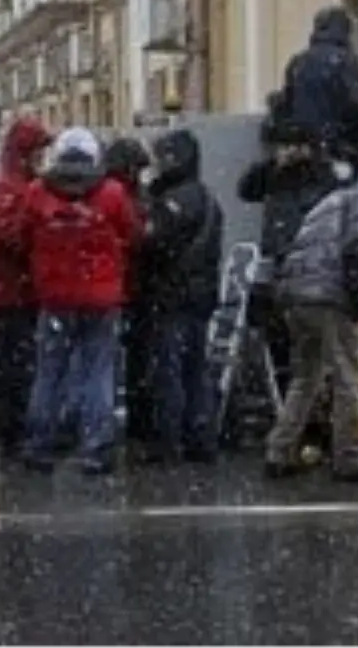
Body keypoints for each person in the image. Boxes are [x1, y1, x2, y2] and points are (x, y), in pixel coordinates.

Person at [264, 169, 358, 483]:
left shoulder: (330, 202)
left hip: (295, 296)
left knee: (306, 377)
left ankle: (280, 449)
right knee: (350, 376)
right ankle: (350, 455)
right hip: (329, 299)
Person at [20, 128, 138, 475]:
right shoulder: (112, 193)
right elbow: (131, 234)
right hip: (101, 297)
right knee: (98, 371)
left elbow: (20, 236)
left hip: (54, 296)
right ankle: (95, 447)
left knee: (48, 371)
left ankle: (40, 443)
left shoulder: (38, 193)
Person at [237, 121, 339, 391]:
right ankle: (287, 387)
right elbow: (246, 190)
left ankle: (309, 394)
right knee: (278, 331)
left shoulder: (322, 176)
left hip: (309, 267)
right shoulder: (275, 177)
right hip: (280, 264)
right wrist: (273, 165)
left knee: (309, 339)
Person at [144, 129, 223, 464]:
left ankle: (169, 440)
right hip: (200, 293)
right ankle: (200, 438)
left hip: (173, 292)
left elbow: (154, 245)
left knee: (170, 369)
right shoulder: (207, 199)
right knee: (196, 368)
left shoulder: (172, 202)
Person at [0, 117, 52, 458]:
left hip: (12, 289)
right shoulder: (9, 186)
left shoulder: (9, 182)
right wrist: (38, 234)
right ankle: (16, 433)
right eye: (38, 150)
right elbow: (7, 236)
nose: (42, 157)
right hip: (12, 292)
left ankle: (17, 431)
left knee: (17, 362)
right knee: (17, 364)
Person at [103, 136, 155, 445]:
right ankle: (140, 427)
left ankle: (102, 428)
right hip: (134, 289)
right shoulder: (136, 199)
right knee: (138, 362)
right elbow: (141, 239)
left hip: (112, 289)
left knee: (104, 365)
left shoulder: (100, 194)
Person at [282, 6, 358, 173]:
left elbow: (287, 102)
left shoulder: (298, 61)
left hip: (304, 146)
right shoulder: (347, 60)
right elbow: (353, 104)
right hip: (338, 144)